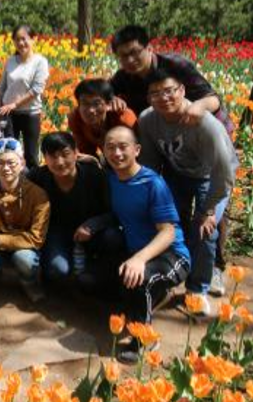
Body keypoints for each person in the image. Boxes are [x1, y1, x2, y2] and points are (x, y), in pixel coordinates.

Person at [110, 24, 233, 296]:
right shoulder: (123, 78)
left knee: (208, 218)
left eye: (135, 52)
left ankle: (212, 268)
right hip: (168, 144)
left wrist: (198, 107)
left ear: (149, 48)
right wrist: (113, 100)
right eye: (123, 56)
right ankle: (180, 263)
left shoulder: (176, 66)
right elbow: (105, 96)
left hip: (204, 140)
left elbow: (213, 98)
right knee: (173, 212)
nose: (130, 60)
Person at [137, 69, 237, 316]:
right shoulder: (148, 120)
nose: (163, 98)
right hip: (177, 174)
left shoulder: (206, 125)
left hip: (212, 177)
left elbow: (223, 174)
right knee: (167, 223)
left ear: (182, 90)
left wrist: (209, 210)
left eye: (169, 91)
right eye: (155, 93)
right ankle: (172, 272)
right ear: (148, 97)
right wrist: (151, 197)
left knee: (204, 229)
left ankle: (197, 289)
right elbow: (150, 163)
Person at [101, 126, 190, 365]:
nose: (117, 153)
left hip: (171, 254)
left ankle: (144, 339)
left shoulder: (153, 184)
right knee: (106, 280)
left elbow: (168, 232)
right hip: (136, 251)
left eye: (123, 147)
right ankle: (157, 293)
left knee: (141, 279)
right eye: (110, 147)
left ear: (137, 150)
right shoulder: (112, 178)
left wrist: (140, 259)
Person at [28, 132, 122, 291]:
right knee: (58, 270)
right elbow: (11, 181)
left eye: (65, 154)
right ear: (44, 158)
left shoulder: (94, 175)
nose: (60, 162)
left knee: (113, 237)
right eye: (53, 156)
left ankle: (99, 273)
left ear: (76, 153)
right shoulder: (38, 176)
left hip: (91, 232)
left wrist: (93, 225)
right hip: (56, 232)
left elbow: (114, 213)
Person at [0, 137, 49, 302]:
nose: (6, 168)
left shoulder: (37, 195)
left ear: (22, 163)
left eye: (11, 163)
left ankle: (30, 282)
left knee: (25, 260)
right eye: (0, 163)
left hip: (23, 247)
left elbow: (36, 238)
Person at [0, 25, 49, 168]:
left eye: (24, 39)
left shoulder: (40, 62)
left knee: (31, 155)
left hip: (30, 113)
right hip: (9, 113)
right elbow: (3, 86)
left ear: (33, 39)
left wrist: (14, 104)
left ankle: (32, 180)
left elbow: (36, 89)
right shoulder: (11, 61)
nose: (21, 43)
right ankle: (11, 180)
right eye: (17, 40)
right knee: (9, 151)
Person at [67, 78, 137, 158]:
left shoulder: (124, 117)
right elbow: (86, 152)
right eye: (85, 103)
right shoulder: (75, 119)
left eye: (97, 104)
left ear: (108, 104)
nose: (91, 110)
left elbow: (136, 149)